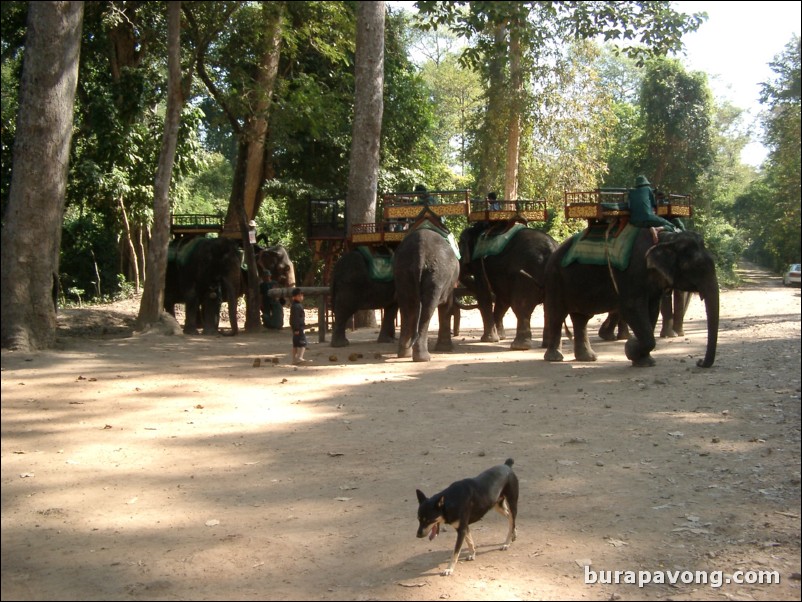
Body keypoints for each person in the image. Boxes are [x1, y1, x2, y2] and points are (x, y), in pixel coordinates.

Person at [290, 287, 311, 365]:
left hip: (296, 328)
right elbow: (295, 318)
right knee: (303, 343)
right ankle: (300, 357)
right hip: (298, 328)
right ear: (294, 297)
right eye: (299, 295)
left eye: (301, 295)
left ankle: (294, 359)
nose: (301, 297)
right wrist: (296, 328)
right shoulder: (296, 306)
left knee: (295, 344)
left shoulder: (295, 305)